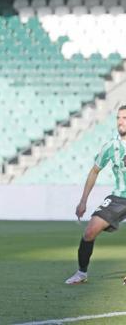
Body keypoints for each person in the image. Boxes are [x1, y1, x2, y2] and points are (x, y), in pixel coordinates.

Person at [66, 106, 126, 285]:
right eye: (118, 118)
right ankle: (81, 273)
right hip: (119, 197)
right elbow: (94, 171)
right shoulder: (111, 146)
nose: (120, 121)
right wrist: (83, 201)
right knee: (90, 231)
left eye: (124, 117)